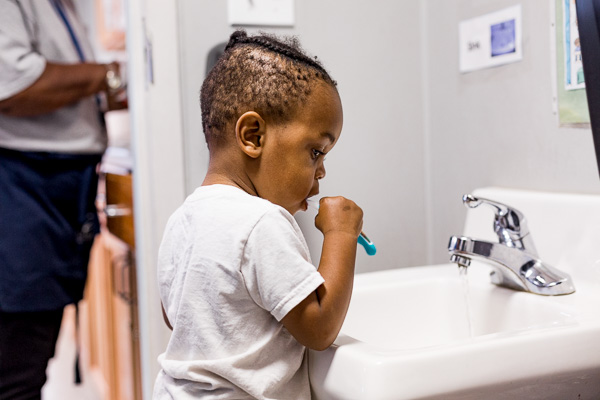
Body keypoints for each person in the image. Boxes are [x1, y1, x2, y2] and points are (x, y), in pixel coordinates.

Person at [153, 30, 363, 399]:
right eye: (316, 151)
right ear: (253, 136)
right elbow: (318, 330)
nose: (322, 171)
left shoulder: (182, 219)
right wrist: (341, 234)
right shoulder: (261, 222)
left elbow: (177, 318)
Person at [0, 1, 125, 398]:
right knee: (17, 367)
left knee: (32, 353)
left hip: (51, 191)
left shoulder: (63, 6)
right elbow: (12, 83)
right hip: (23, 188)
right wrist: (108, 76)